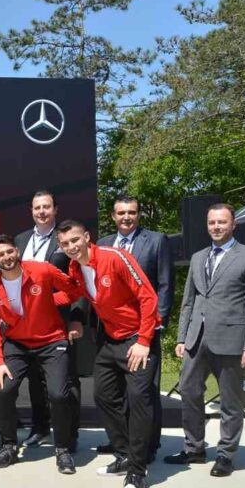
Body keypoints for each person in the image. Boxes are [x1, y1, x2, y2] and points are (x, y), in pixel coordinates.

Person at [56, 220, 160, 488]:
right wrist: (34, 300)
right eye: (65, 244)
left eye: (75, 240)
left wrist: (144, 341)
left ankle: (137, 470)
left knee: (138, 400)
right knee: (103, 395)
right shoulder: (75, 268)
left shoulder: (115, 257)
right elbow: (72, 295)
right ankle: (124, 454)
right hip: (110, 340)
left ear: (86, 237)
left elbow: (148, 297)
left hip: (138, 339)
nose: (71, 247)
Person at [169, 204, 245, 477]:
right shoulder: (198, 257)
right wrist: (181, 336)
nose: (216, 227)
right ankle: (194, 448)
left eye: (222, 222)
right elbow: (189, 300)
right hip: (196, 339)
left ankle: (226, 455)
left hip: (231, 340)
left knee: (230, 401)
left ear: (233, 224)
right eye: (212, 222)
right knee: (188, 391)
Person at [0, 234, 82, 475]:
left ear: (17, 251)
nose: (6, 257)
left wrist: (51, 299)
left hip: (52, 341)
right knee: (5, 390)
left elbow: (74, 290)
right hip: (17, 344)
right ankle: (8, 446)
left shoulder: (42, 270)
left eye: (9, 252)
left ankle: (63, 449)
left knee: (58, 394)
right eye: (0, 254)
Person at [95, 196, 173, 460]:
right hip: (110, 332)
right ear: (113, 216)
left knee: (143, 392)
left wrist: (156, 325)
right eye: (121, 213)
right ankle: (122, 441)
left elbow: (165, 284)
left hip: (143, 329)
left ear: (139, 214)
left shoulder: (157, 241)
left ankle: (148, 446)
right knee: (113, 391)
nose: (126, 217)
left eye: (131, 212)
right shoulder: (103, 244)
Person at [14, 191, 86, 450]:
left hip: (60, 320)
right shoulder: (20, 239)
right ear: (31, 211)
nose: (42, 212)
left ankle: (70, 434)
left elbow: (79, 281)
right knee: (35, 379)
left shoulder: (65, 239)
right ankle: (40, 428)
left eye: (46, 207)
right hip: (28, 323)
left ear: (55, 209)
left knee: (66, 381)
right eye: (37, 208)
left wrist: (76, 319)